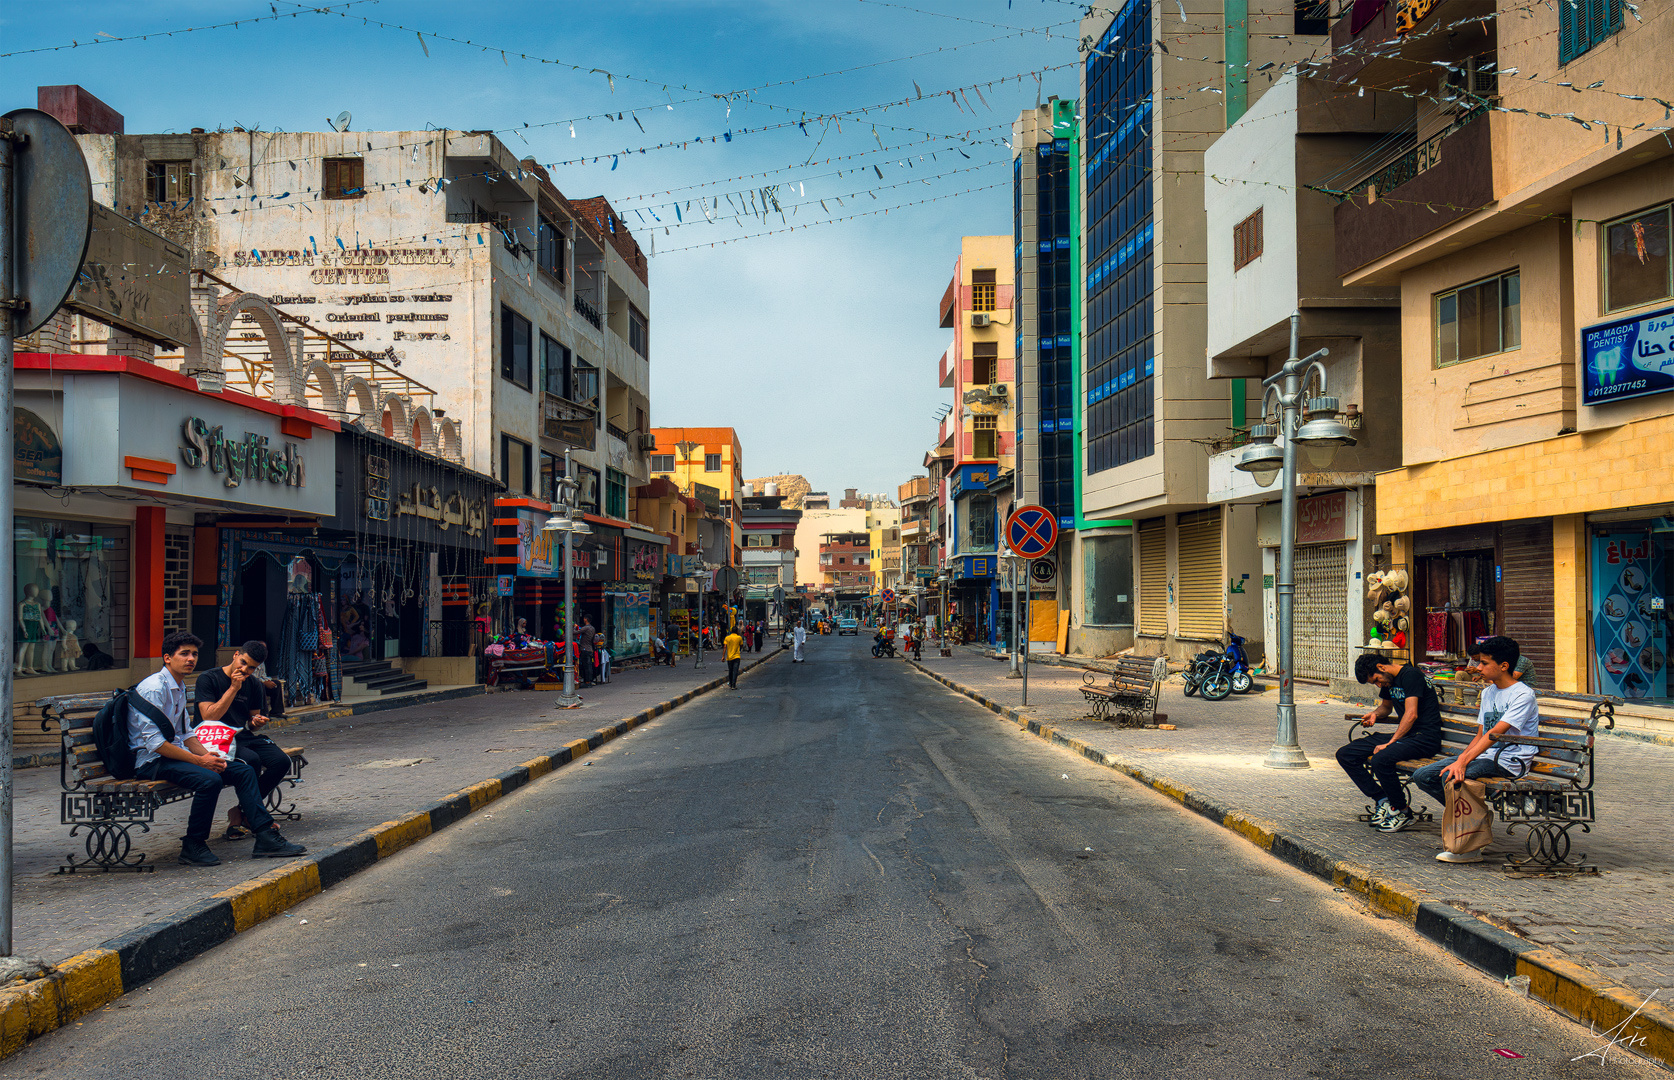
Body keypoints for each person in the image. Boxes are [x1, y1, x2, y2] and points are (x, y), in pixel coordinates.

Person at [132, 632, 306, 866]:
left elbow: (186, 733)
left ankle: (265, 837)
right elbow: (156, 745)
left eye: (194, 654)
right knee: (210, 780)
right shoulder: (155, 688)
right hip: (152, 761)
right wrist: (200, 761)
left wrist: (207, 755)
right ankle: (193, 844)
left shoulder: (178, 686)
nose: (190, 659)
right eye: (184, 654)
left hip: (176, 753)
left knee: (242, 771)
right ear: (167, 658)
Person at [1412, 636, 1540, 864]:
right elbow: (1481, 734)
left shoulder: (1523, 694)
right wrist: (1462, 758)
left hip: (1510, 761)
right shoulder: (1490, 692)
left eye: (1483, 663)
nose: (1477, 667)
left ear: (1504, 666)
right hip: (1488, 755)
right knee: (1423, 776)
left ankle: (1470, 845)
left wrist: (1461, 763)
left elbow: (1495, 734)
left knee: (1452, 779)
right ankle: (1476, 818)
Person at [194, 640, 293, 841]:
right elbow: (208, 717)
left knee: (282, 761)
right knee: (252, 760)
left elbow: (251, 721)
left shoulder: (255, 684)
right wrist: (233, 688)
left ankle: (242, 811)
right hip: (214, 738)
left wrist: (256, 722)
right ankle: (246, 819)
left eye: (251, 668)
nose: (245, 669)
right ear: (236, 655)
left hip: (242, 737)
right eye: (243, 662)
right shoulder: (208, 678)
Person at [1337, 653, 1444, 833]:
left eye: (1377, 680)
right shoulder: (1388, 680)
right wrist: (1375, 714)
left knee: (1381, 759)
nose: (1379, 685)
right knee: (1346, 754)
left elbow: (1411, 714)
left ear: (1382, 667)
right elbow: (1386, 707)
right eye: (1375, 684)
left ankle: (1402, 811)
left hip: (1424, 737)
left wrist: (1391, 743)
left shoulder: (1411, 676)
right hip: (1406, 736)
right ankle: (1382, 799)